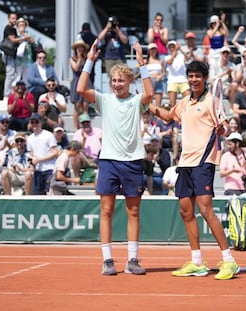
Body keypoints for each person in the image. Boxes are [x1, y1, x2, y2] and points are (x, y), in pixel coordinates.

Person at [148, 60, 239, 280]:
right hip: (185, 163)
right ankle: (197, 261)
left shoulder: (212, 101)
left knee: (206, 210)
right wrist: (146, 105)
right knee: (185, 211)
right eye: (190, 76)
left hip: (204, 161)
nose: (194, 80)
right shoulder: (185, 102)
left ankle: (229, 260)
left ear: (205, 78)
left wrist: (223, 129)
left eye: (198, 76)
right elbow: (169, 116)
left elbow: (225, 128)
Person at [77, 40, 154, 275]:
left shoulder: (136, 100)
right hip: (109, 160)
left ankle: (132, 260)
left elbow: (150, 92)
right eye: (114, 81)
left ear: (130, 81)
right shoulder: (104, 99)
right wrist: (90, 59)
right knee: (106, 210)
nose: (117, 84)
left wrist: (141, 62)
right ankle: (107, 260)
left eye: (121, 80)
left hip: (132, 162)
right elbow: (81, 89)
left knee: (133, 211)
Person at [26, 113, 58, 195]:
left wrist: (40, 159)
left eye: (36, 122)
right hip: (37, 171)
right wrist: (31, 163)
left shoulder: (48, 135)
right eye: (32, 122)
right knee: (37, 196)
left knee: (49, 194)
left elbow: (55, 152)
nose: (34, 124)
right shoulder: (30, 138)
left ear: (41, 123)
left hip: (49, 169)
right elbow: (31, 154)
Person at [208, 46, 238, 112]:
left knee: (234, 85)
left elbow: (233, 81)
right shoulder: (214, 64)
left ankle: (232, 107)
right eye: (224, 53)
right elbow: (211, 79)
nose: (225, 55)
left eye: (227, 53)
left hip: (227, 87)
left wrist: (229, 74)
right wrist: (225, 73)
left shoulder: (232, 65)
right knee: (214, 84)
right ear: (221, 54)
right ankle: (219, 106)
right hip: (217, 86)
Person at [70, 39, 91, 129]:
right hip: (76, 81)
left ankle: (85, 126)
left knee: (85, 106)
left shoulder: (87, 58)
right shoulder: (72, 59)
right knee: (77, 107)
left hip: (86, 81)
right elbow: (76, 68)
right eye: (78, 47)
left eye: (81, 47)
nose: (80, 49)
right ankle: (76, 128)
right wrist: (79, 58)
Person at [165, 40, 191, 107]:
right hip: (172, 81)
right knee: (172, 104)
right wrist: (176, 51)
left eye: (173, 47)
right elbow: (170, 62)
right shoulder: (167, 57)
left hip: (183, 81)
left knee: (188, 102)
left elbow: (188, 59)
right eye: (170, 47)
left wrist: (180, 49)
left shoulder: (181, 56)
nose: (172, 48)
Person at [2, 12, 20, 98]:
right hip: (8, 54)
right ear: (8, 19)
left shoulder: (13, 29)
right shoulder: (8, 28)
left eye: (15, 18)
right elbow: (12, 40)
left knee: (14, 74)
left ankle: (11, 94)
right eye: (12, 18)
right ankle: (6, 95)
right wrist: (23, 38)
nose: (14, 20)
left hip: (12, 54)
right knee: (10, 74)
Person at [14, 17, 35, 83]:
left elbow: (33, 42)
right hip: (18, 59)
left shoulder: (29, 34)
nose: (22, 27)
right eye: (20, 25)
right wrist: (23, 38)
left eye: (23, 25)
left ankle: (26, 92)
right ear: (17, 26)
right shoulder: (16, 35)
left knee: (26, 78)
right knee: (17, 77)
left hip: (28, 59)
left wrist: (27, 37)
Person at [146, 43, 166, 107]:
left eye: (154, 49)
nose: (153, 51)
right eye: (151, 50)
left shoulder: (161, 61)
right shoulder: (145, 61)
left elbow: (164, 72)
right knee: (149, 104)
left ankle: (157, 117)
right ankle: (150, 116)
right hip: (149, 81)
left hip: (158, 81)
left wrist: (160, 77)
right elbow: (142, 73)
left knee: (158, 105)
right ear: (148, 51)